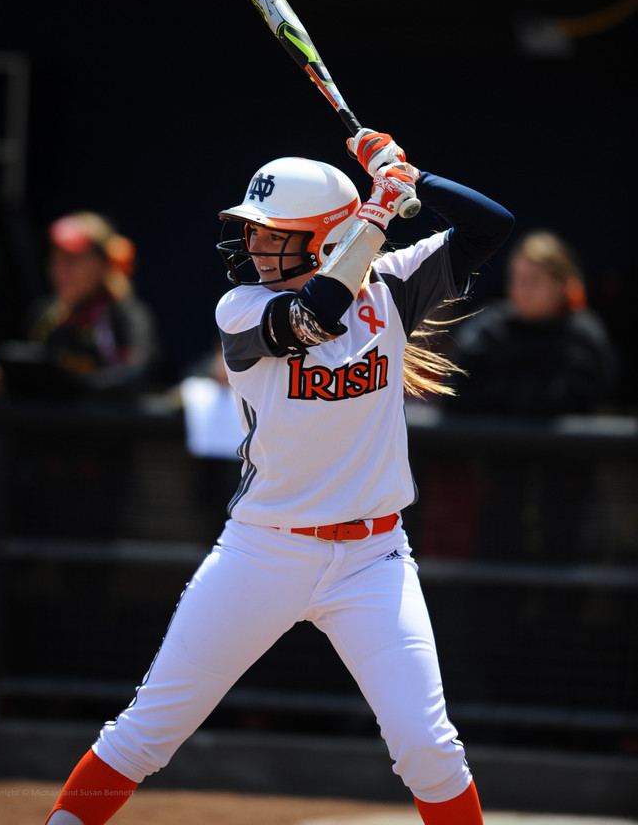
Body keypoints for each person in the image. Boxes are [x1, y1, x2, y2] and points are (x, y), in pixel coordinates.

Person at [44, 129, 514, 825]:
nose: (257, 247)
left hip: (372, 557)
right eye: (255, 233)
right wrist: (377, 214)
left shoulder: (390, 287)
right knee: (148, 731)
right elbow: (315, 315)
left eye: (276, 235)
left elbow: (491, 225)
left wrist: (407, 175)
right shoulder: (238, 309)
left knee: (427, 747)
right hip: (263, 550)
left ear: (324, 238)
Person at [0, 210, 163, 402]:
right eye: (55, 259)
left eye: (72, 260)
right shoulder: (43, 315)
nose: (60, 270)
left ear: (104, 262)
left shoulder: (125, 316)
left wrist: (69, 383)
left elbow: (134, 378)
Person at [447, 229, 618, 416]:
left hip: (562, 446)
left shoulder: (583, 335)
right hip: (490, 443)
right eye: (517, 279)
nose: (522, 290)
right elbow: (455, 392)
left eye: (533, 280)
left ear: (562, 284)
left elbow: (576, 400)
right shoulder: (488, 328)